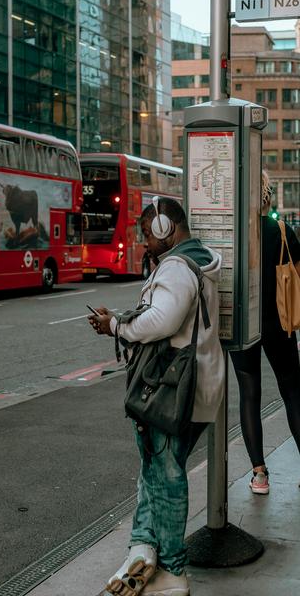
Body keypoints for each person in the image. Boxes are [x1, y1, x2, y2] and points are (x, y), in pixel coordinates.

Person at [88, 197, 224, 596]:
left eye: (148, 234)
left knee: (165, 476)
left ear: (167, 228)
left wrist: (117, 327)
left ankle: (172, 571)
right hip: (199, 384)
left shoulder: (178, 267)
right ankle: (144, 546)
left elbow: (162, 320)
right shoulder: (197, 258)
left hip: (173, 389)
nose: (145, 243)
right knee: (155, 467)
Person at [230, 171, 300, 495]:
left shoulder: (233, 234)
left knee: (249, 395)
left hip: (243, 323)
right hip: (279, 323)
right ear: (267, 195)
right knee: (292, 392)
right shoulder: (282, 231)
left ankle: (259, 475)